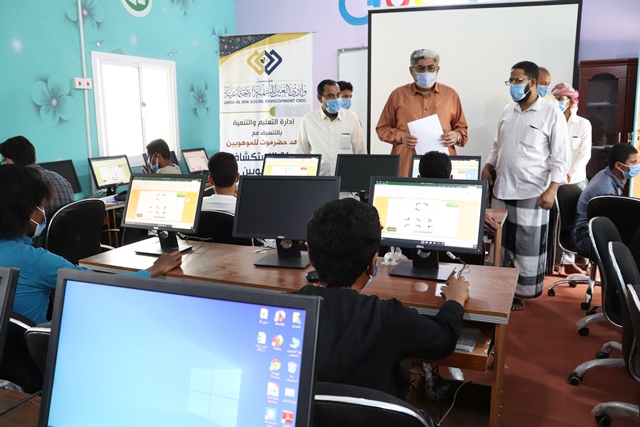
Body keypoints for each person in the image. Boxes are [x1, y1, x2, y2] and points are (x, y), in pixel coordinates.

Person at [297, 198, 469, 398]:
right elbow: (443, 339)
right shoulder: (390, 317)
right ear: (373, 263)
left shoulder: (285, 310)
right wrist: (455, 300)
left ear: (311, 258)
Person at [0, 164, 182, 324]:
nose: (43, 213)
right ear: (27, 212)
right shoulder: (34, 261)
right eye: (40, 206)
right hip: (30, 347)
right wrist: (155, 269)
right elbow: (103, 287)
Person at [482, 61, 569, 310]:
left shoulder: (550, 113)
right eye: (511, 81)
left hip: (532, 191)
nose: (513, 86)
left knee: (525, 247)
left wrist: (553, 188)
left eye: (518, 81)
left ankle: (520, 293)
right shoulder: (507, 110)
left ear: (532, 82)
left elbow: (561, 156)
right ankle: (500, 288)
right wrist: (488, 165)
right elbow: (497, 145)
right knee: (501, 245)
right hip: (502, 188)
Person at [376, 49, 468, 177]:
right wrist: (400, 136)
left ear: (437, 69)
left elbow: (463, 132)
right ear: (411, 71)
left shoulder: (450, 95)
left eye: (431, 68)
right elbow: (382, 128)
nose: (426, 72)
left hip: (442, 167)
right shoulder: (398, 95)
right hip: (406, 165)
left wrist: (456, 136)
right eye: (420, 68)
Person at [0, 136, 74, 248]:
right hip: (67, 247)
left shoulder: (17, 186)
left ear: (9, 162)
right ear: (35, 157)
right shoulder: (61, 179)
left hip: (34, 248)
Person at [572, 143, 638, 253]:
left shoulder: (609, 175)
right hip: (585, 236)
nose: (637, 166)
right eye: (633, 163)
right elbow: (611, 224)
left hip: (596, 230)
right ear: (619, 165)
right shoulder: (605, 189)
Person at [296, 79, 366, 176]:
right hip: (319, 179)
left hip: (346, 179)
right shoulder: (308, 120)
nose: (336, 99)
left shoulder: (351, 118)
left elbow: (360, 152)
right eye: (330, 96)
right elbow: (301, 152)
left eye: (338, 95)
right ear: (319, 98)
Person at [552, 82, 592, 190]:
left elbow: (585, 154)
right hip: (554, 181)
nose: (557, 102)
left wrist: (571, 173)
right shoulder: (551, 123)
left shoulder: (583, 124)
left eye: (561, 99)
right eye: (555, 99)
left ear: (569, 101)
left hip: (576, 180)